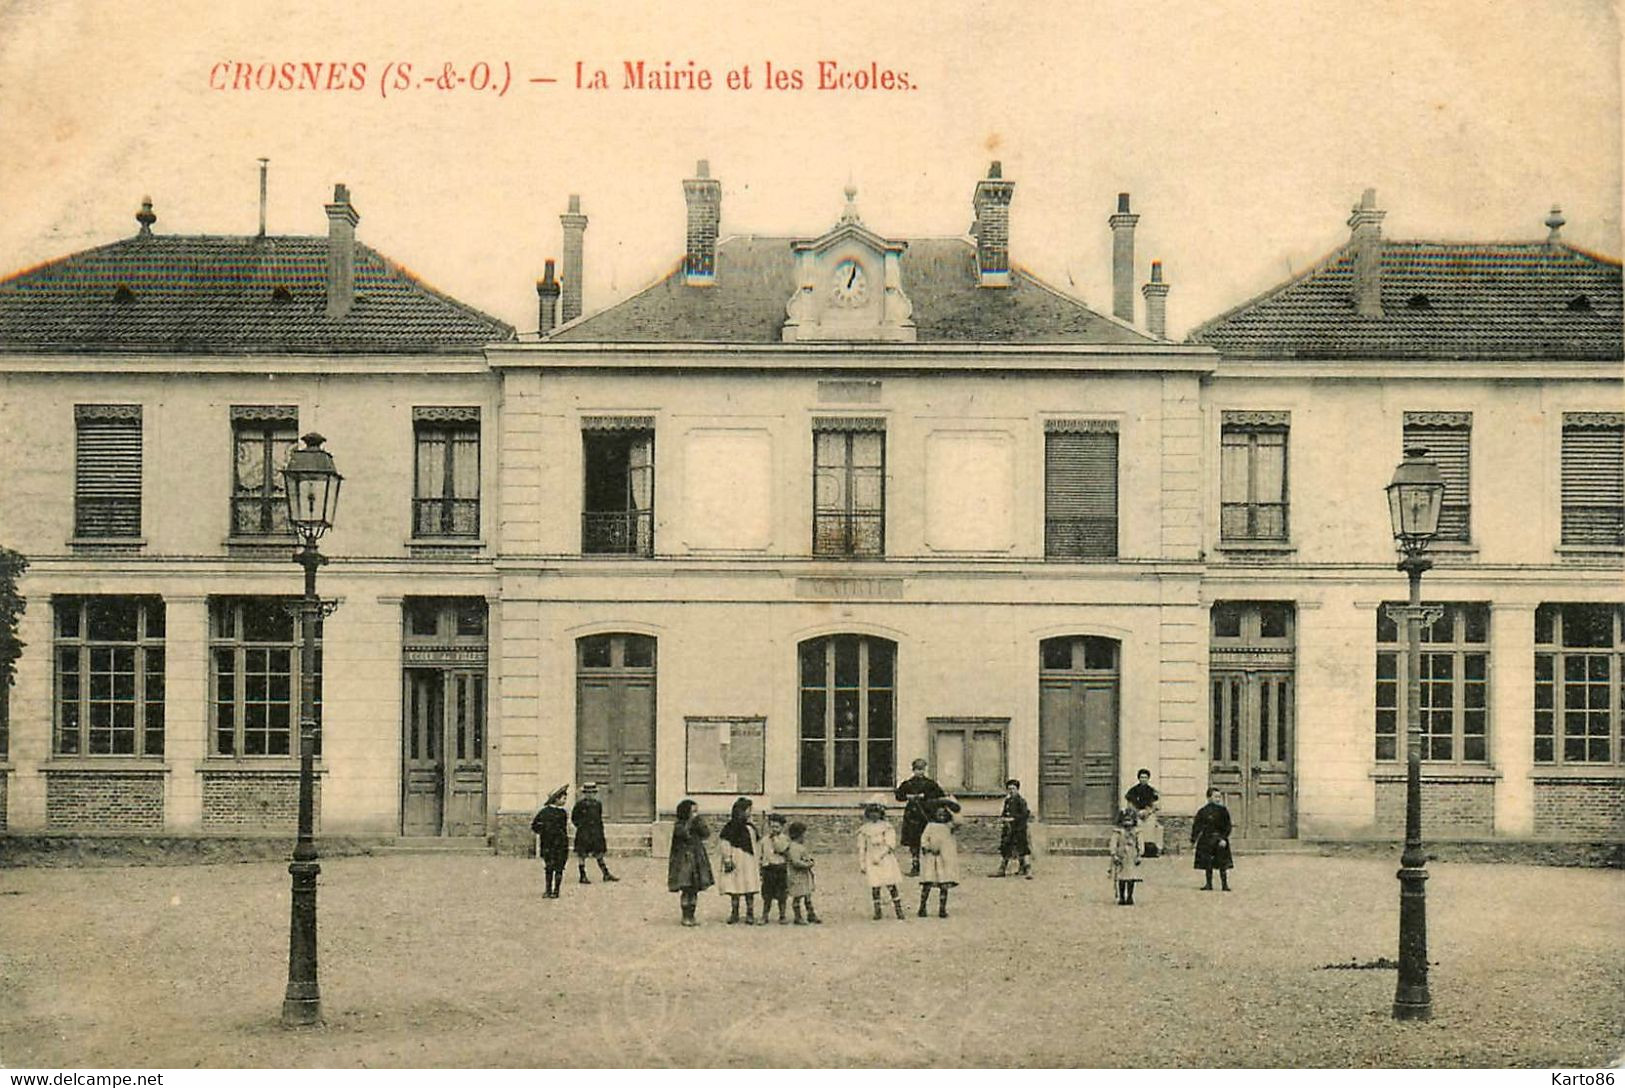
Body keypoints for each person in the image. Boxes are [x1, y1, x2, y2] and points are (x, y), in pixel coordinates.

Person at [856, 798, 907, 921]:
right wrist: (862, 863)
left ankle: (898, 910)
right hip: (871, 858)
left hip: (885, 858)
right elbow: (862, 847)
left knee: (891, 883)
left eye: (877, 812)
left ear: (881, 813)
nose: (874, 815)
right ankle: (877, 911)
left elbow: (890, 844)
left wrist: (880, 855)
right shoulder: (864, 830)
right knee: (875, 885)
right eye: (871, 812)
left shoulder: (886, 827)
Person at [667, 799, 715, 926]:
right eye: (693, 812)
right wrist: (690, 823)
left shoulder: (697, 823)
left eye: (696, 811)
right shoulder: (679, 825)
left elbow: (706, 834)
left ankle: (692, 915)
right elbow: (684, 835)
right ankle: (685, 915)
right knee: (686, 888)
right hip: (684, 861)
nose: (696, 814)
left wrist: (700, 823)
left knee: (694, 889)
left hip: (697, 859)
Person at [894, 758, 945, 876]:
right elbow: (899, 796)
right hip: (912, 816)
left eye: (921, 769)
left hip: (926, 815)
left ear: (925, 770)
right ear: (913, 770)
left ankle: (930, 867)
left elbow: (939, 795)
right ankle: (915, 865)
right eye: (917, 769)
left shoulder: (930, 784)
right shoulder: (908, 784)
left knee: (928, 841)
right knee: (913, 842)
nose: (919, 772)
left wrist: (925, 796)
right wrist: (908, 797)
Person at [717, 796, 762, 925]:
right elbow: (725, 843)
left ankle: (750, 913)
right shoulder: (730, 827)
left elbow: (756, 844)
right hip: (736, 859)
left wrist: (759, 858)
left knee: (749, 886)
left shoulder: (750, 827)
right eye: (748, 810)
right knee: (734, 887)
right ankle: (734, 913)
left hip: (749, 861)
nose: (750, 812)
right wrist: (727, 858)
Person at [917, 796, 962, 918]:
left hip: (944, 860)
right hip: (931, 858)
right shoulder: (930, 825)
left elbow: (959, 821)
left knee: (944, 884)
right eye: (939, 814)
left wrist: (950, 807)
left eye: (944, 814)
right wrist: (928, 847)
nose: (941, 816)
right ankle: (922, 907)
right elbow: (924, 839)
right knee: (927, 883)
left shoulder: (949, 826)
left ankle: (942, 909)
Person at [570, 781, 618, 884]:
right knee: (582, 854)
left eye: (592, 792)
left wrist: (600, 832)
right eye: (588, 793)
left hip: (596, 833)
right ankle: (582, 875)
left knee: (599, 853)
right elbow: (574, 818)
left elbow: (599, 818)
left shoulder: (597, 804)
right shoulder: (580, 805)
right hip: (584, 833)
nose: (590, 795)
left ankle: (606, 874)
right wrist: (581, 826)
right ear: (584, 793)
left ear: (595, 793)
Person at [531, 784, 570, 899]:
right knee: (558, 868)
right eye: (563, 798)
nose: (565, 801)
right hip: (559, 844)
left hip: (550, 844)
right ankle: (554, 891)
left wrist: (543, 832)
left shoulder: (546, 812)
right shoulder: (561, 813)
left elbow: (535, 826)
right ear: (556, 799)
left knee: (550, 867)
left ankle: (549, 890)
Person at [1191, 787, 1234, 891]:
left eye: (1219, 797)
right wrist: (1193, 840)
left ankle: (1224, 885)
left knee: (1222, 863)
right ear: (1209, 798)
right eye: (1215, 797)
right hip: (1206, 840)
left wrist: (1224, 838)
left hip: (1220, 840)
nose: (1218, 799)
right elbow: (1197, 826)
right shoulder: (1203, 811)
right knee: (1208, 863)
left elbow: (1228, 826)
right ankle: (1208, 884)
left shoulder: (1223, 811)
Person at [991, 778, 1033, 878]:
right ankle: (1002, 870)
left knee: (1023, 849)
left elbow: (1025, 814)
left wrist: (1013, 818)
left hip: (1019, 829)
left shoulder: (1021, 801)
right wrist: (1002, 819)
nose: (1011, 791)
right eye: (1009, 789)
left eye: (1013, 789)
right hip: (1009, 829)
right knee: (1006, 849)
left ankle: (1028, 870)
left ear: (1017, 789)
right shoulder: (1008, 801)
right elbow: (1004, 813)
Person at [783, 821, 821, 924]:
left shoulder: (800, 846)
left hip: (804, 875)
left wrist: (810, 860)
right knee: (798, 896)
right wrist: (807, 864)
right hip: (797, 876)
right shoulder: (793, 847)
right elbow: (796, 862)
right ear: (798, 835)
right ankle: (798, 916)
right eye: (803, 834)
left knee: (807, 895)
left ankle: (811, 914)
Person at [758, 811, 791, 925]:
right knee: (767, 894)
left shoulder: (784, 839)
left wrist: (775, 839)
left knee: (781, 894)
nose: (774, 829)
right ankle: (764, 916)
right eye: (772, 827)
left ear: (782, 827)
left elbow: (781, 849)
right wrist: (761, 867)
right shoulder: (764, 840)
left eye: (777, 827)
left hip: (780, 868)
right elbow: (762, 854)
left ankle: (782, 915)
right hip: (768, 868)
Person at [1125, 768, 1163, 858]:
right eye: (1142, 777)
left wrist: (1148, 812)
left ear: (1148, 778)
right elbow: (1129, 804)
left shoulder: (1152, 791)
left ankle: (1152, 850)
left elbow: (1156, 805)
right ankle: (1139, 850)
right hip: (1137, 814)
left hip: (1149, 815)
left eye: (1145, 777)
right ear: (1138, 778)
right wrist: (1137, 812)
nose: (1143, 779)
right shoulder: (1133, 790)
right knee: (1138, 830)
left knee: (1154, 829)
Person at [1108, 807, 1142, 905]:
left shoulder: (1137, 832)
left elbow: (1140, 844)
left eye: (1130, 820)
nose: (1128, 824)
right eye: (1125, 820)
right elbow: (1113, 843)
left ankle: (1130, 896)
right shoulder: (1118, 832)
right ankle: (1122, 897)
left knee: (1131, 877)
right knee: (1121, 877)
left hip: (1132, 856)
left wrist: (1139, 855)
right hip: (1121, 856)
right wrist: (1114, 854)